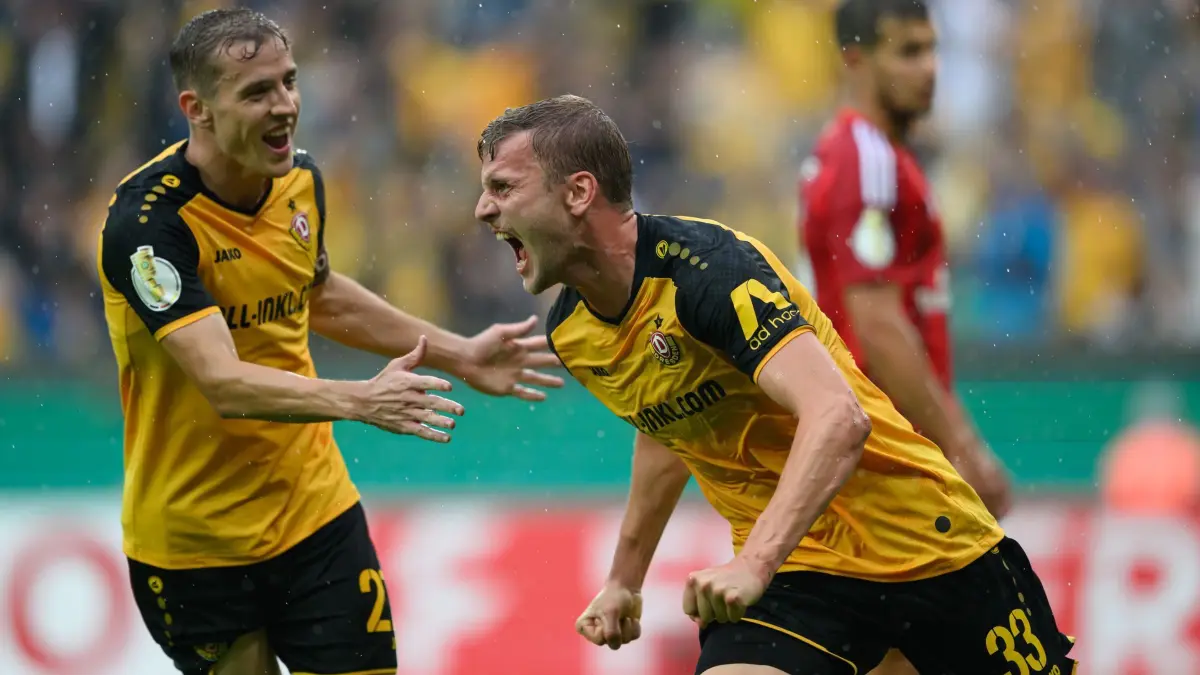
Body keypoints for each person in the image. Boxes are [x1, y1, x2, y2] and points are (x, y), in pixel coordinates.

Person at [474, 94, 1076, 675]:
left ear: (579, 192)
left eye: (502, 187)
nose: (483, 209)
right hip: (796, 574)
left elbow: (839, 419)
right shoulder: (574, 331)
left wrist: (752, 565)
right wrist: (624, 581)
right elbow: (668, 428)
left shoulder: (709, 272)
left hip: (923, 547)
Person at [97, 9, 563, 675]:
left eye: (288, 83)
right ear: (195, 108)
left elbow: (316, 292)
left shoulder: (301, 180)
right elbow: (222, 381)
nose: (284, 106)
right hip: (195, 542)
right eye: (257, 93)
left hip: (315, 515)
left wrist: (458, 352)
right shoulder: (149, 225)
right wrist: (360, 401)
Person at [799, 3, 1014, 672]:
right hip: (885, 451)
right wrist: (962, 446)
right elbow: (876, 320)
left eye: (931, 51)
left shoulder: (860, 155)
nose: (929, 71)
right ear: (856, 59)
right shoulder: (867, 159)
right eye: (907, 52)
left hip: (868, 448)